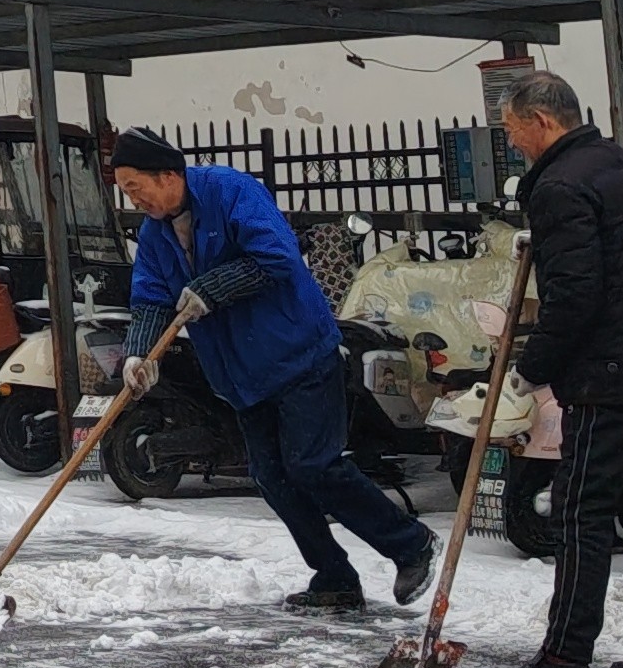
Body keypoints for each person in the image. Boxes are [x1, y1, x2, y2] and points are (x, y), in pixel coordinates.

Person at [106, 127, 432, 614]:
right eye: (126, 191)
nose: (133, 200)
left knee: (311, 464)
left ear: (168, 175)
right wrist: (140, 354)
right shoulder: (155, 235)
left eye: (135, 187)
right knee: (272, 477)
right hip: (241, 375)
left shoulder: (231, 191)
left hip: (298, 354)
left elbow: (276, 256)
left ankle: (411, 544)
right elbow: (151, 298)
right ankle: (335, 577)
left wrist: (211, 289)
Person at [486, 72, 623, 668]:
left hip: (608, 377)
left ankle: (564, 660)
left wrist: (534, 365)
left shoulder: (559, 185)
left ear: (542, 121)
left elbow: (575, 295)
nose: (512, 143)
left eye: (513, 130)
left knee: (581, 512)